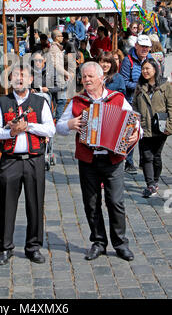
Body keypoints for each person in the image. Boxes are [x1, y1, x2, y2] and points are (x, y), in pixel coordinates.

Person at [56, 62, 139, 262]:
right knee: (91, 203)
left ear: (102, 78)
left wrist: (134, 135)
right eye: (84, 77)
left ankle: (120, 243)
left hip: (113, 159)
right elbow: (59, 127)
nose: (86, 80)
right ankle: (99, 242)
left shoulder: (117, 99)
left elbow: (135, 124)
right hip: (88, 159)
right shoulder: (77, 101)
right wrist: (70, 124)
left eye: (90, 76)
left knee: (116, 202)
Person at [0, 64, 55, 265]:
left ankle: (33, 247)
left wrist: (28, 127)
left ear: (31, 80)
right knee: (6, 204)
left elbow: (50, 130)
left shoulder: (40, 102)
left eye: (23, 75)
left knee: (35, 203)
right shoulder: (1, 102)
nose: (19, 79)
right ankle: (6, 247)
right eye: (15, 76)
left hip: (34, 159)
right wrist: (11, 133)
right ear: (9, 80)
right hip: (10, 160)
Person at [133, 59, 172, 197]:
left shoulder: (165, 86)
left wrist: (169, 126)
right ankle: (150, 185)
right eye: (143, 68)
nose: (145, 71)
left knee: (156, 156)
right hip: (144, 127)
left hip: (161, 127)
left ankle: (155, 180)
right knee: (146, 156)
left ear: (155, 69)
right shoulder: (139, 87)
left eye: (148, 68)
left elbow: (171, 107)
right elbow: (135, 106)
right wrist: (136, 121)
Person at [119, 35, 152, 174]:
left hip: (147, 101)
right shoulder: (128, 61)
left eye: (147, 47)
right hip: (132, 101)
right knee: (131, 131)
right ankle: (129, 162)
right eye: (142, 46)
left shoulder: (150, 60)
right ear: (136, 46)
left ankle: (145, 161)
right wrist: (141, 86)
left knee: (145, 131)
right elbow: (124, 81)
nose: (144, 49)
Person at [47, 29, 70, 122]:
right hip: (57, 79)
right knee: (61, 100)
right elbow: (56, 65)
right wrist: (66, 73)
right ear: (56, 38)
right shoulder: (54, 49)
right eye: (60, 36)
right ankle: (57, 120)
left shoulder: (57, 48)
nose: (62, 37)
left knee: (58, 101)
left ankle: (56, 119)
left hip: (58, 77)